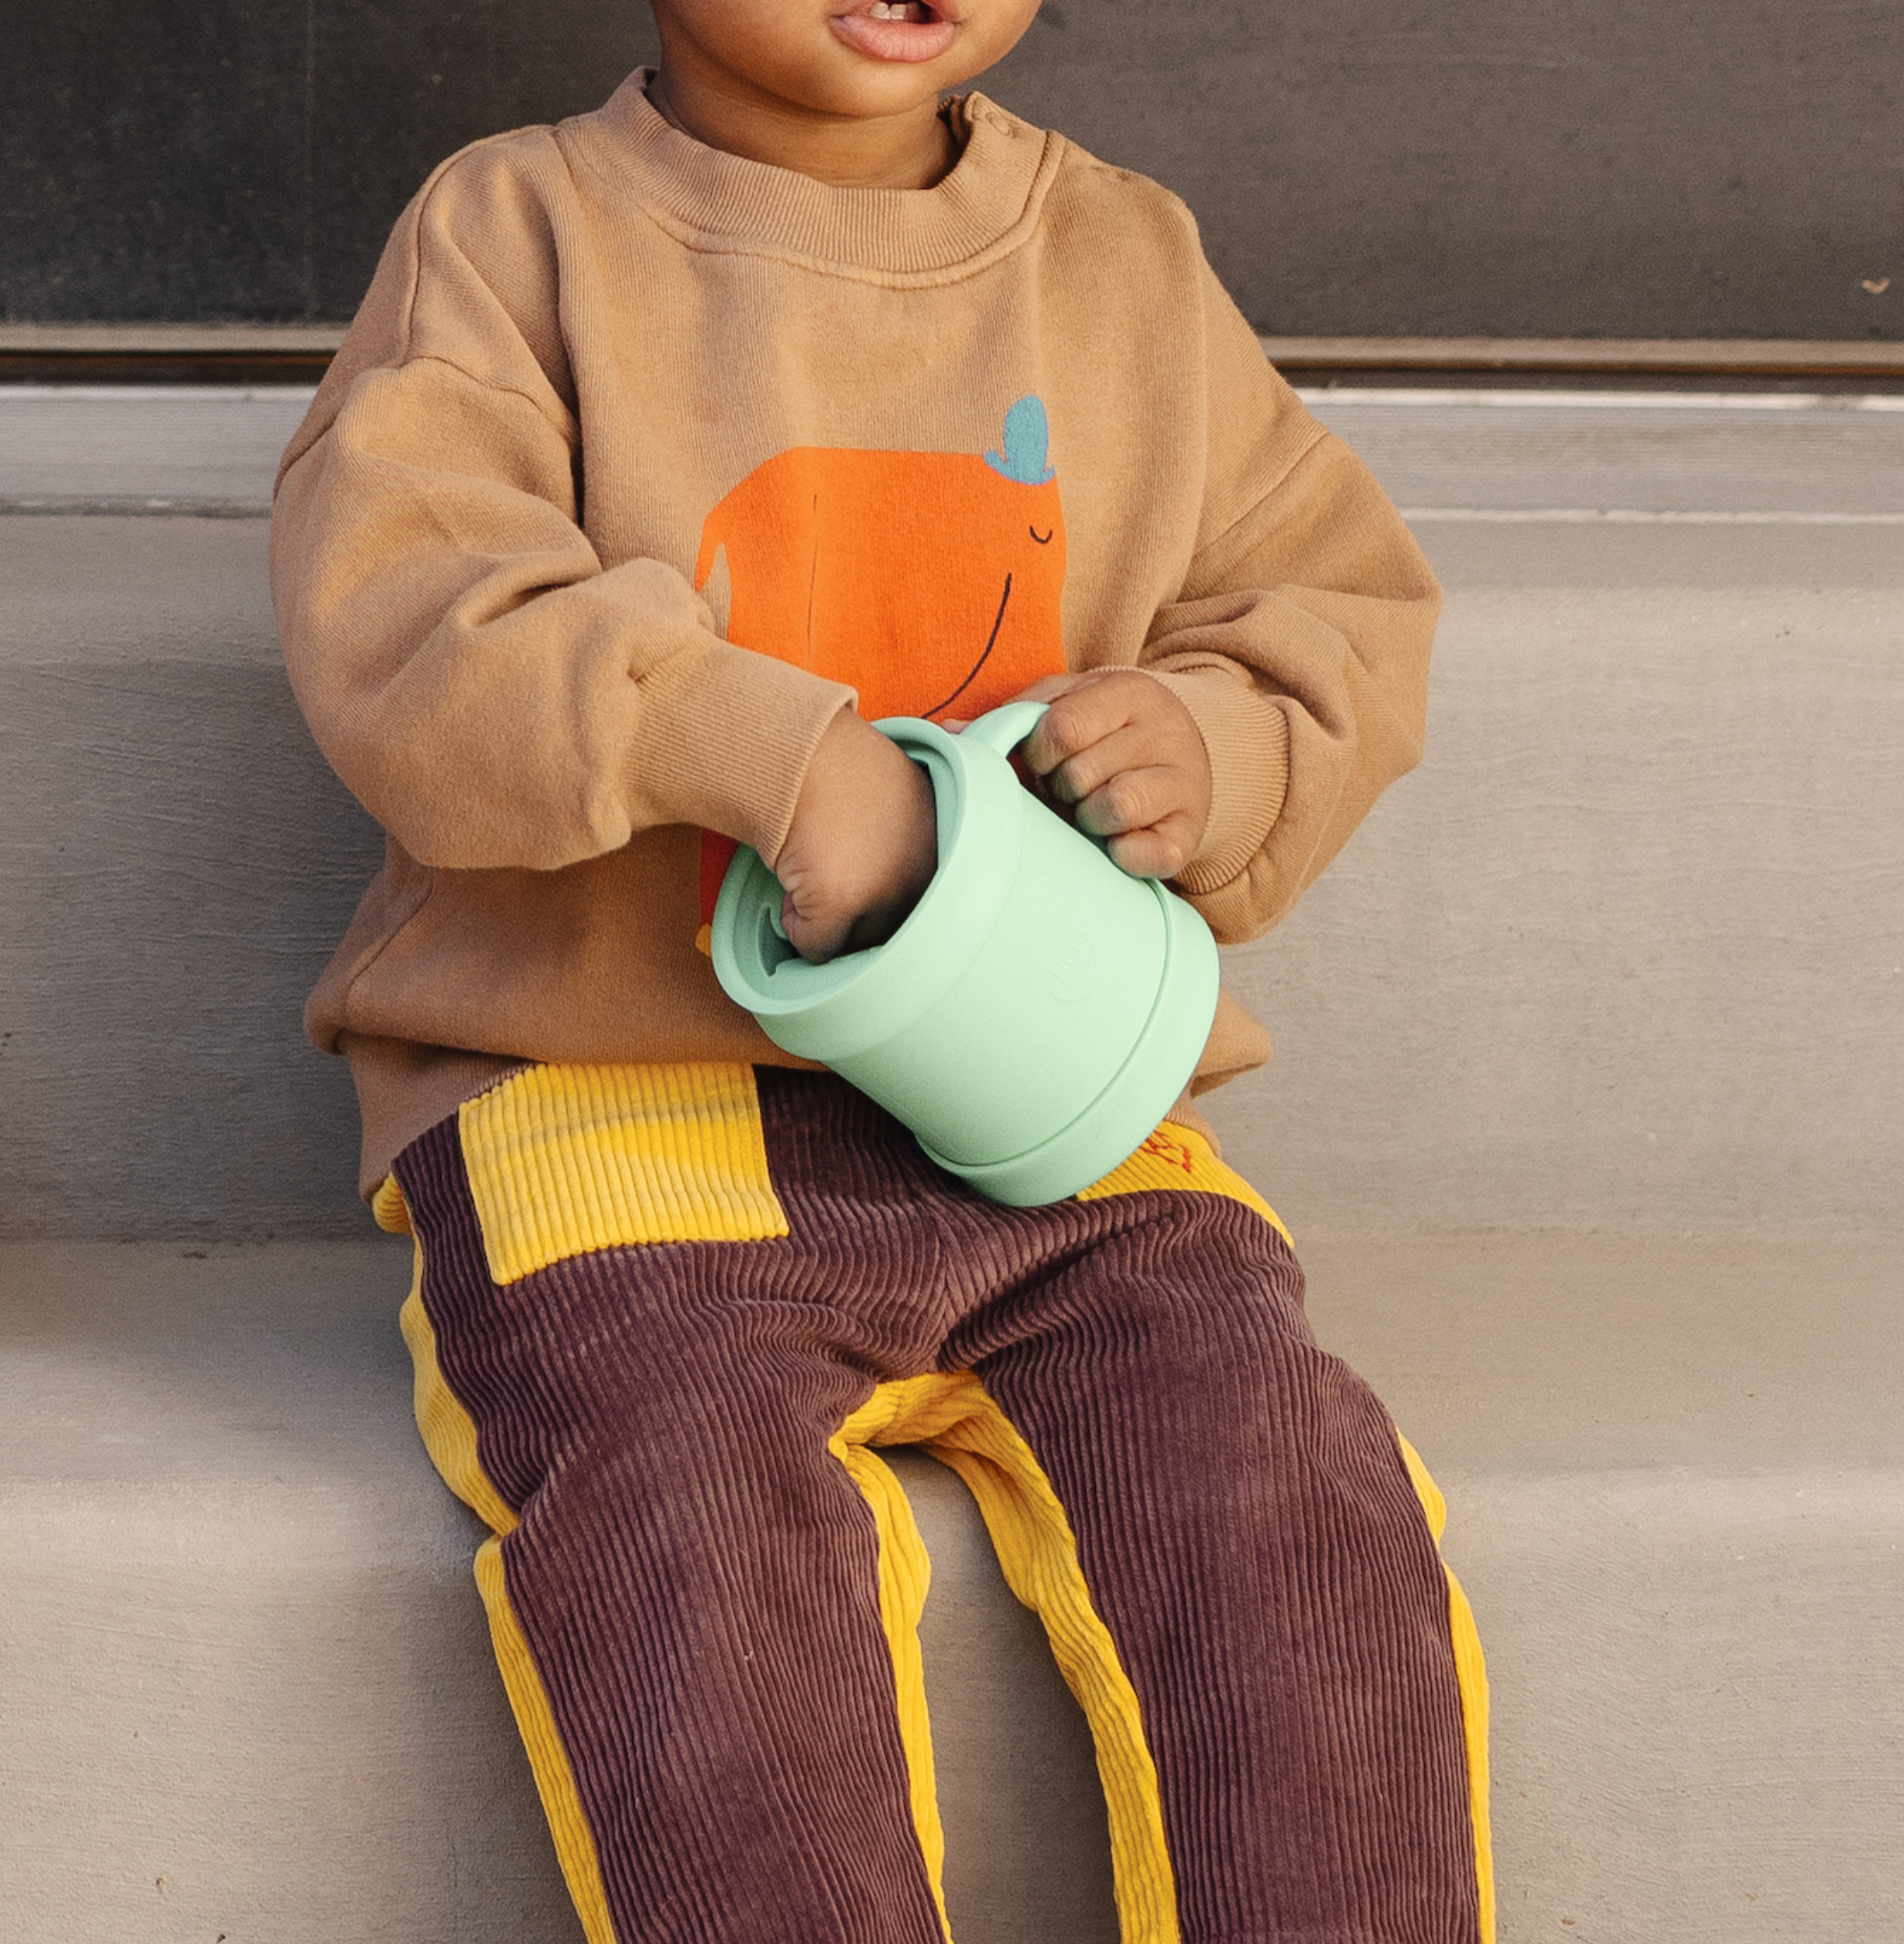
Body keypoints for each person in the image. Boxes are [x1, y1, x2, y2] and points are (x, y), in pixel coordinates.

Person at [270, 3, 1493, 1939]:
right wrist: (765, 756)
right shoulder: (519, 230)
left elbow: (1327, 605)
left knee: (1289, 1500)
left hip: (1044, 1096)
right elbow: (411, 610)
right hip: (604, 1089)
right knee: (690, 1538)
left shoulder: (1124, 264)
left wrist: (1218, 739)